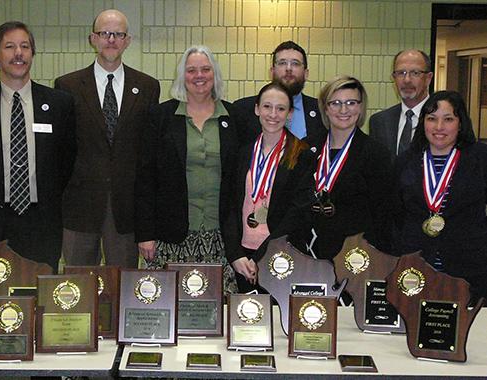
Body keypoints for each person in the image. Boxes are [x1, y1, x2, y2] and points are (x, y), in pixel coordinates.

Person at [0, 21, 75, 270]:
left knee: (39, 298)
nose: (18, 53)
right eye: (9, 47)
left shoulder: (59, 104)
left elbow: (66, 162)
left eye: (25, 46)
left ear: (32, 54)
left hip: (42, 222)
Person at [54, 9, 160, 269]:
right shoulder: (67, 86)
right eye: (105, 33)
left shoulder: (147, 86)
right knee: (77, 286)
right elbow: (61, 150)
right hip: (79, 206)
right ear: (93, 38)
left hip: (126, 208)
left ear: (128, 40)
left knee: (123, 286)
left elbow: (149, 153)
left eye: (118, 34)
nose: (111, 39)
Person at [135, 45, 238, 294]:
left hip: (220, 236)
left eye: (205, 69)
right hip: (171, 235)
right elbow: (145, 178)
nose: (199, 75)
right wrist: (145, 234)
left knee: (217, 311)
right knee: (170, 305)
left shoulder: (233, 117)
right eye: (191, 70)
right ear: (182, 76)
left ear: (215, 74)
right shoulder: (160, 116)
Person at [393, 90, 486, 302]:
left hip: (468, 266)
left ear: (460, 123)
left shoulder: (480, 159)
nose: (439, 127)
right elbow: (397, 213)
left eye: (448, 119)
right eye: (432, 119)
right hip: (416, 264)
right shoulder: (405, 161)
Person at [225, 81, 315, 292]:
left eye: (280, 108)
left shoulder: (301, 155)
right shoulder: (242, 153)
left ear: (290, 113)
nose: (273, 114)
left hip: (281, 255)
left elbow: (296, 213)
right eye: (267, 106)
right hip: (243, 257)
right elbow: (228, 205)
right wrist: (235, 254)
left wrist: (261, 257)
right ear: (257, 109)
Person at [311, 76, 392, 265]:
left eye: (351, 102)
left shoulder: (377, 154)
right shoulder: (307, 148)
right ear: (325, 107)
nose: (344, 110)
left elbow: (384, 214)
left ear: (361, 107)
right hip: (311, 253)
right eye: (336, 103)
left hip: (358, 257)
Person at [232, 41, 326, 147]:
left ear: (306, 73)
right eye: (282, 63)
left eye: (295, 63)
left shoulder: (322, 110)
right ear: (272, 72)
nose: (288, 68)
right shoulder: (242, 110)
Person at [369, 50, 433, 157]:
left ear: (428, 78)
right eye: (401, 73)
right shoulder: (379, 121)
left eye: (415, 73)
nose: (407, 80)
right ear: (394, 78)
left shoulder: (444, 120)